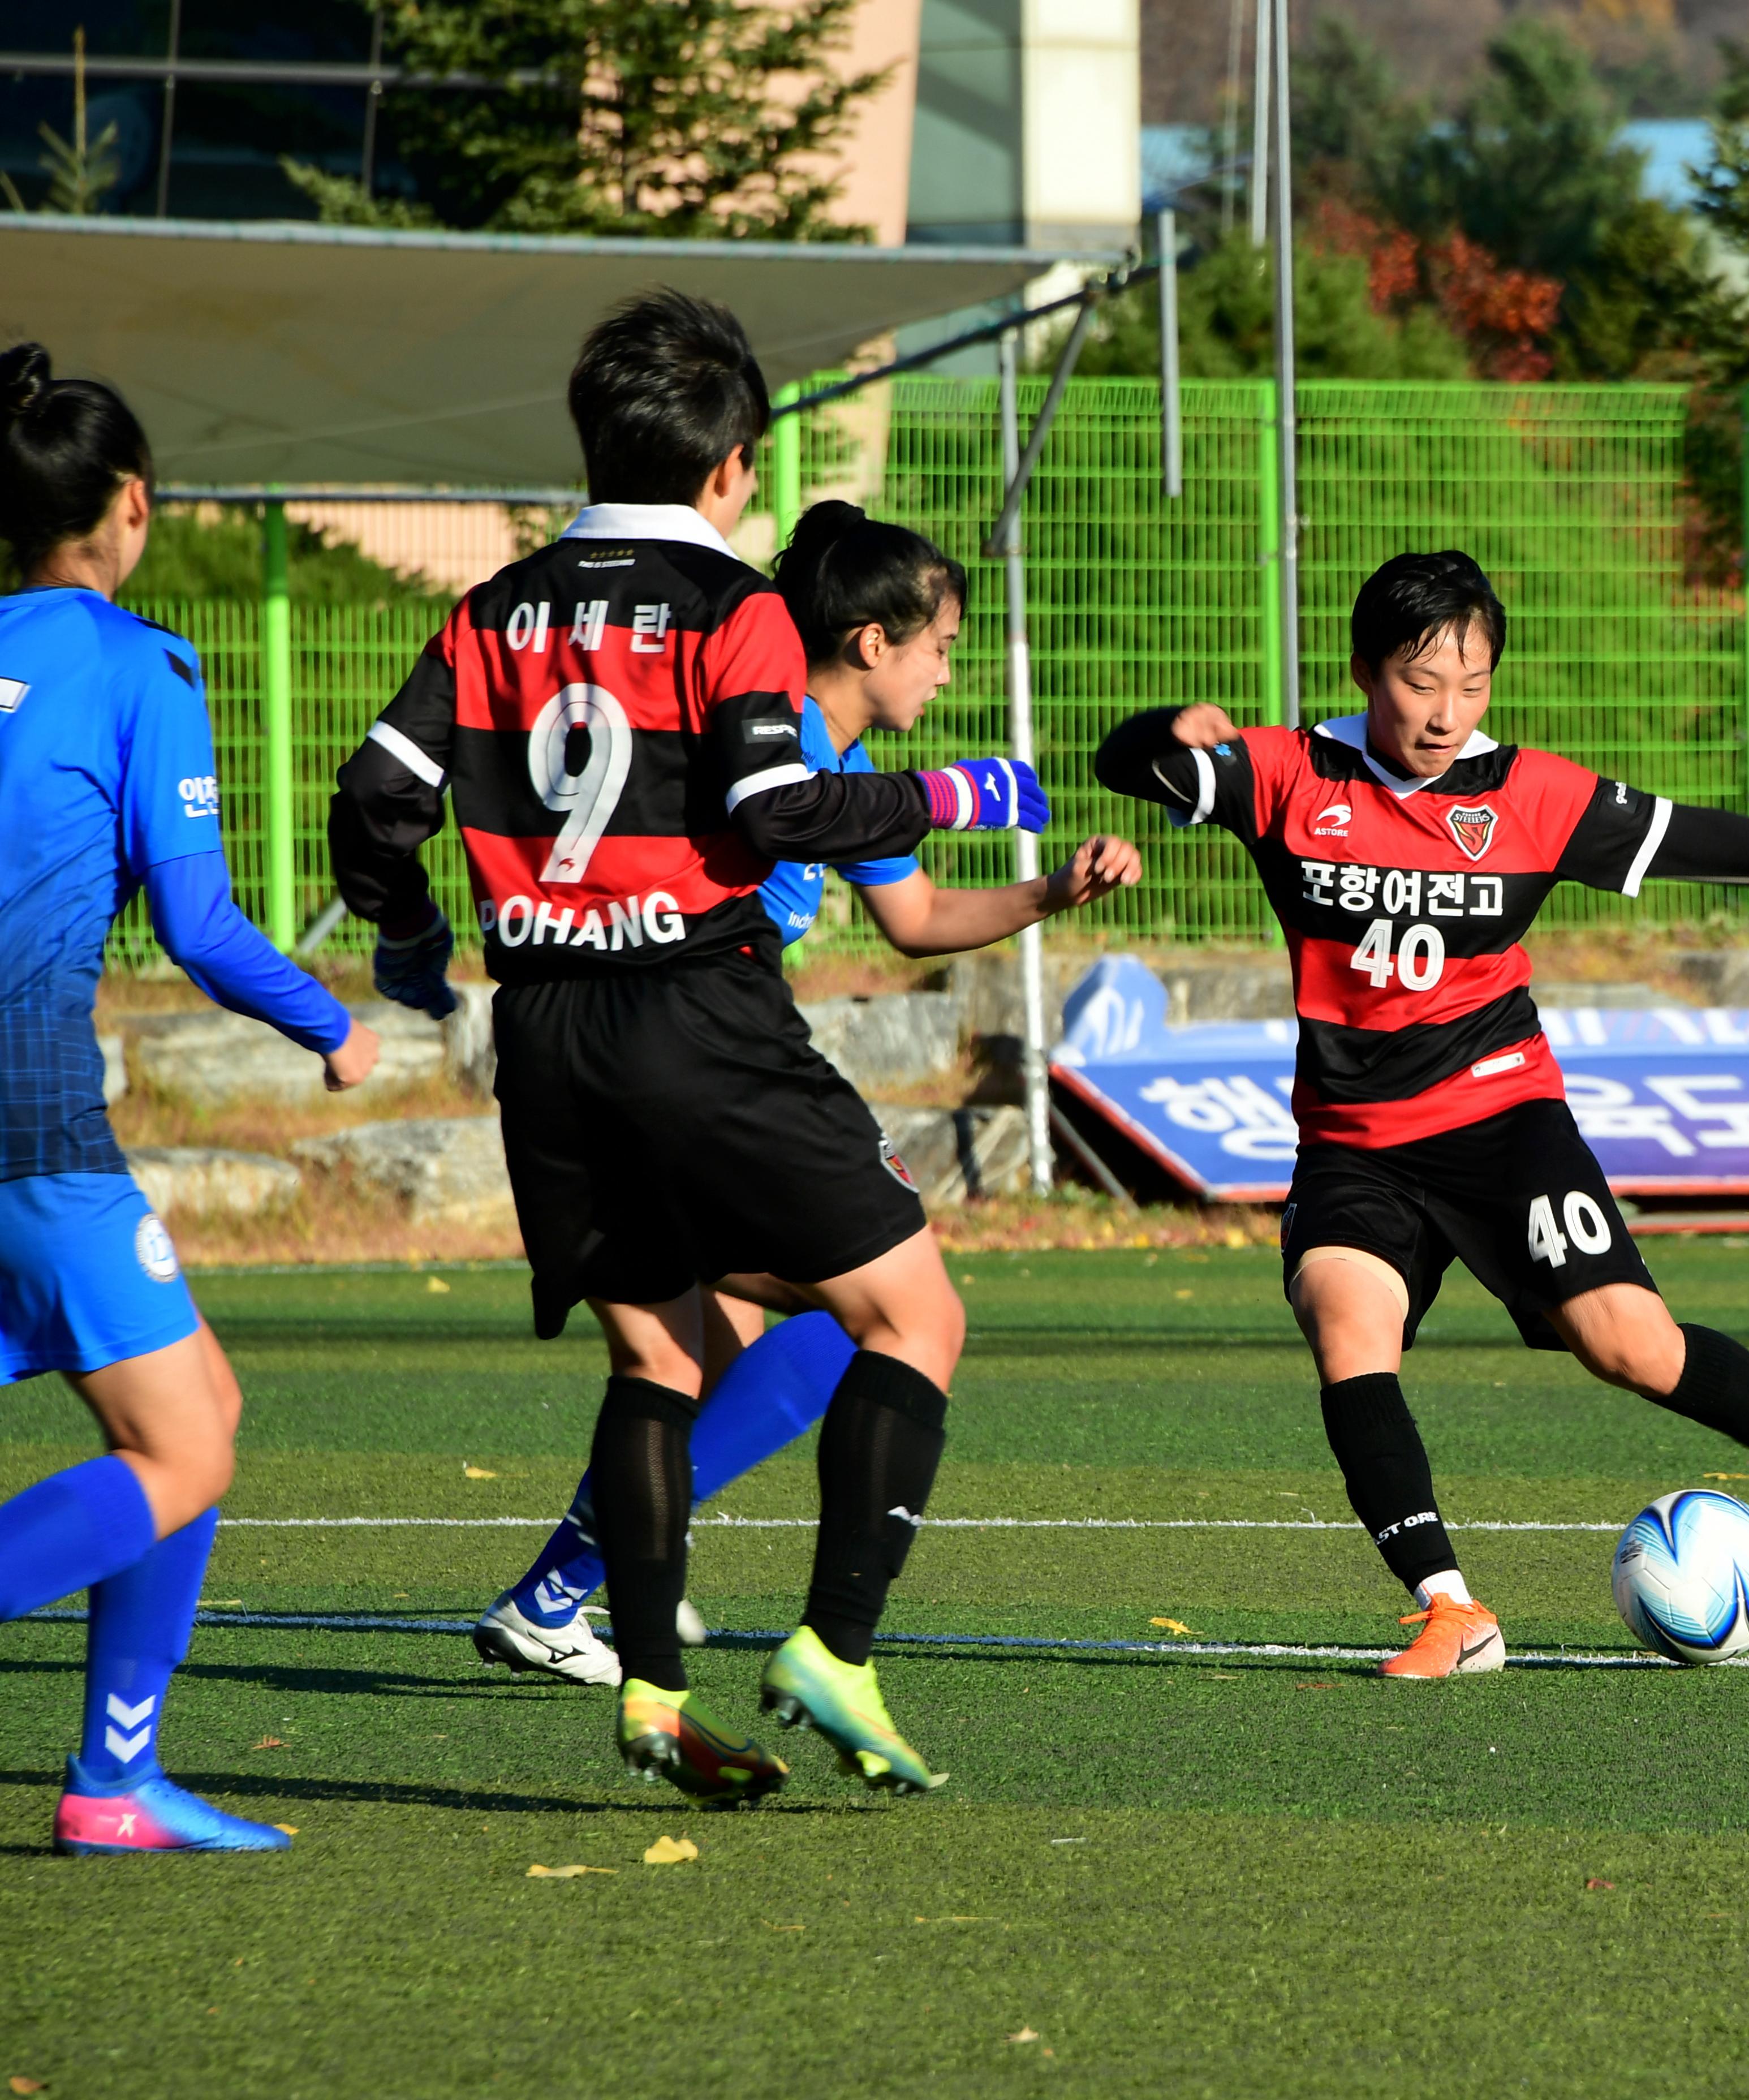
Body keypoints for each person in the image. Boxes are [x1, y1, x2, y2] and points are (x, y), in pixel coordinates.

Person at [330, 290, 1063, 1801]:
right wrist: (968, 791)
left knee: (661, 1354)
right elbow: (773, 812)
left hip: (542, 1032)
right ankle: (834, 1650)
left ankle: (654, 1694)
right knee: (915, 1318)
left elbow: (374, 802)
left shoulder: (491, 611)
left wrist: (408, 943)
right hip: (695, 1006)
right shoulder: (733, 613)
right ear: (732, 467)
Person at [1094, 550, 1749, 1679]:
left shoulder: (1534, 796)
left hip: (1502, 1122)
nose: (1446, 711)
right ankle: (1452, 1609)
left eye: (1471, 683)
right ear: (1366, 671)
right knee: (1347, 1330)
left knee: (1630, 1348)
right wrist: (1175, 724)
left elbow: (1710, 840)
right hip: (1356, 1143)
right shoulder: (1289, 774)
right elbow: (1125, 761)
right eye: (1420, 681)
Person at [472, 499, 1138, 1685]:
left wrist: (1051, 892)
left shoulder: (851, 766)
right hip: (691, 1060)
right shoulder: (759, 736)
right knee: (874, 1315)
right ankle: (599, 1587)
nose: (948, 668)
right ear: (873, 641)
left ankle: (588, 1581)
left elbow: (920, 919)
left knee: (715, 1349)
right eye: (940, 643)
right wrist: (970, 791)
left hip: (646, 1056)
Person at [0, 342, 385, 1851]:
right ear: (135, 503)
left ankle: (113, 1781)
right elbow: (202, 927)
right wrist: (332, 1031)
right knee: (186, 1445)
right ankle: (109, 1782)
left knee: (198, 1406)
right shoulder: (137, 666)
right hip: (24, 1112)